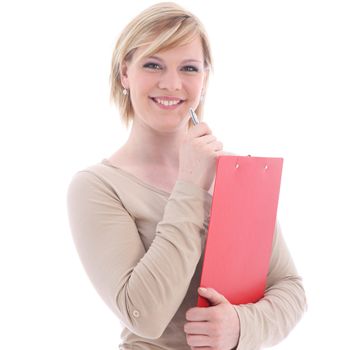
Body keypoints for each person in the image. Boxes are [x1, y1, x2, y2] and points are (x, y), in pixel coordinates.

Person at [66, 2, 307, 349]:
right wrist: (191, 184)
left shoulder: (235, 174)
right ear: (124, 73)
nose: (171, 83)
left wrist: (240, 325)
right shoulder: (97, 187)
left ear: (204, 78)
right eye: (153, 64)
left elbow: (290, 289)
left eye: (189, 68)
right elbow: (144, 314)